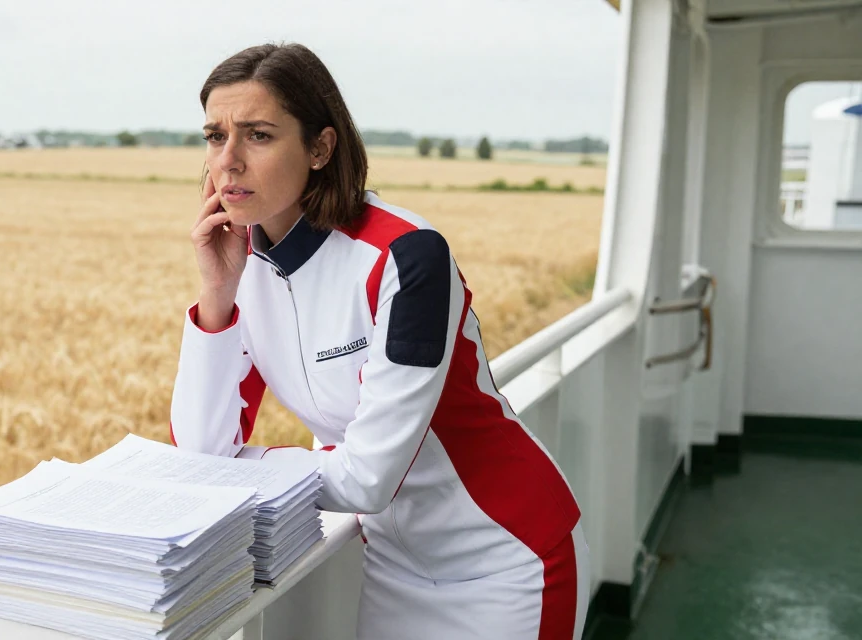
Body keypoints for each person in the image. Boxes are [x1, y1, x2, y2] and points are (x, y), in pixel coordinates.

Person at [169, 42, 589, 640]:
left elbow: (369, 477)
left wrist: (241, 468)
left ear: (320, 147)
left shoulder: (405, 256)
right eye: (214, 136)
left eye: (257, 135)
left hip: (505, 557)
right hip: (392, 559)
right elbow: (201, 447)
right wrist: (217, 293)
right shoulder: (246, 267)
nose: (227, 161)